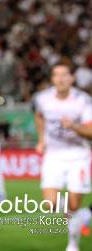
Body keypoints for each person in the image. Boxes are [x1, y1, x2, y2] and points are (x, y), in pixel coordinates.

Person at [34, 61, 92, 251]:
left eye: (65, 74)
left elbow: (90, 132)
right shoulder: (42, 98)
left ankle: (73, 244)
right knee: (50, 204)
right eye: (56, 75)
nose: (60, 79)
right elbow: (39, 116)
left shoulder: (83, 101)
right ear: (52, 79)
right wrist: (41, 140)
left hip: (78, 156)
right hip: (53, 156)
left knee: (74, 204)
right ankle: (79, 217)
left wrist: (74, 126)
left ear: (72, 78)